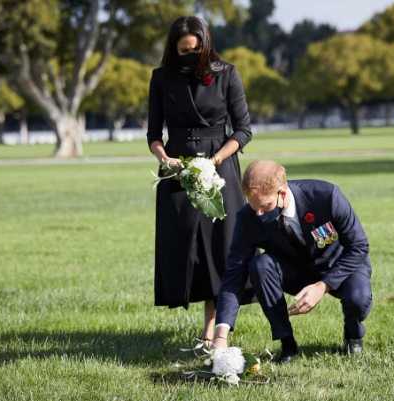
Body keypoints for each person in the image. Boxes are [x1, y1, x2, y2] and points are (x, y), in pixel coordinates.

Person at [146, 16, 252, 347]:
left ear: (205, 45)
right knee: (186, 250)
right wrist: (164, 158)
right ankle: (203, 318)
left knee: (218, 250)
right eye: (183, 51)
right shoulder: (161, 78)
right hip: (179, 172)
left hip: (219, 169)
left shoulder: (227, 74)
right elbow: (153, 133)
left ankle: (213, 330)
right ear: (173, 49)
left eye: (195, 50)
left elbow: (243, 130)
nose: (189, 55)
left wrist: (216, 160)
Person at [212, 160, 373, 362]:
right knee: (260, 266)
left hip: (340, 264)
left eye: (265, 206)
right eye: (253, 206)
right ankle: (287, 344)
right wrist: (220, 335)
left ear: (282, 192)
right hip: (295, 271)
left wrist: (323, 286)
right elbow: (234, 273)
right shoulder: (248, 217)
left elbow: (359, 247)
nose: (258, 213)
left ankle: (353, 335)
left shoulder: (326, 196)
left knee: (358, 300)